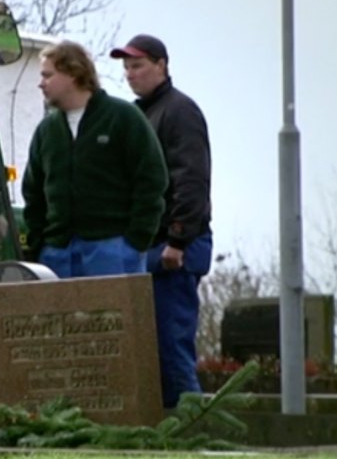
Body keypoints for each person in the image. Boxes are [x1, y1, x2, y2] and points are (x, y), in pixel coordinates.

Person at [111, 34, 213, 408]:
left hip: (175, 247)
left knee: (171, 347)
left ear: (161, 65)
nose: (130, 75)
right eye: (125, 68)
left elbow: (191, 178)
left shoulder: (179, 111)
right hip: (151, 245)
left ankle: (192, 432)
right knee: (149, 348)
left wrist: (178, 239)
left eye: (137, 66)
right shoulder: (142, 114)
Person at [21, 40, 168, 278]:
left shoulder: (123, 117)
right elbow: (33, 192)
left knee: (116, 315)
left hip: (113, 249)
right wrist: (40, 244)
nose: (41, 83)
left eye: (48, 75)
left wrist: (136, 241)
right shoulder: (46, 131)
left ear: (73, 73)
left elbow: (151, 180)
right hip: (57, 254)